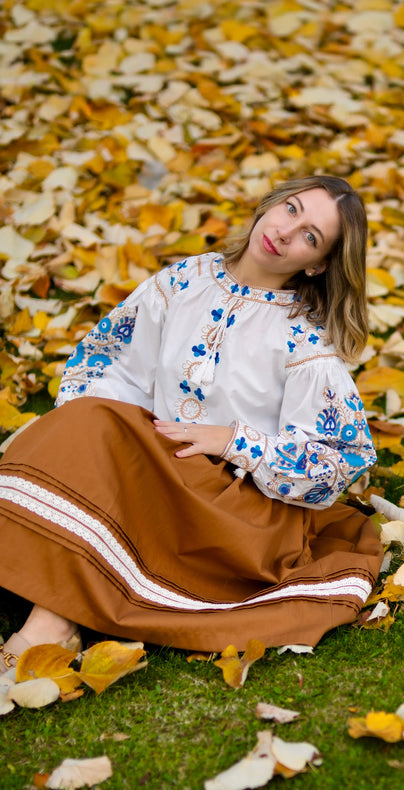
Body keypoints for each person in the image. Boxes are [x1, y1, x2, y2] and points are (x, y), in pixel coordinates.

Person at [0, 175, 383, 672]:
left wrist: (233, 440)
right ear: (270, 205)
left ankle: (50, 626)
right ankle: (61, 596)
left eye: (310, 236)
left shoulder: (305, 343)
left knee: (94, 442)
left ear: (318, 264)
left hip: (235, 507)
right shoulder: (185, 280)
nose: (286, 232)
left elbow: (338, 463)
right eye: (291, 209)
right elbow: (112, 361)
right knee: (74, 428)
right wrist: (91, 437)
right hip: (162, 463)